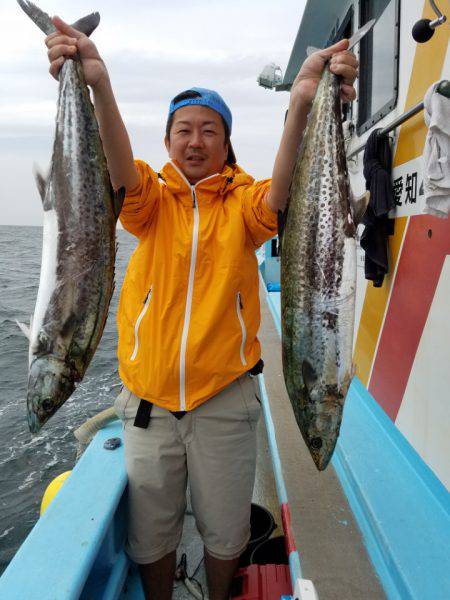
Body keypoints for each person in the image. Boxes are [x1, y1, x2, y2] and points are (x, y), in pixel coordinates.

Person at [45, 15, 358, 600]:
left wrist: (304, 102)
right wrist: (97, 83)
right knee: (151, 536)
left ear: (226, 141)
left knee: (225, 531)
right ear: (167, 142)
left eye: (209, 130)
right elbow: (114, 166)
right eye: (183, 130)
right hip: (148, 404)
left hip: (224, 399)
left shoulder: (244, 206)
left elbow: (283, 193)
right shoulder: (147, 204)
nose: (195, 141)